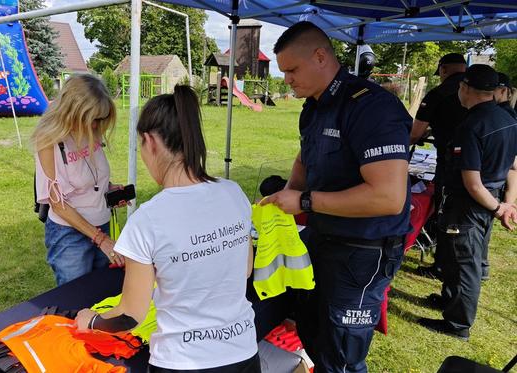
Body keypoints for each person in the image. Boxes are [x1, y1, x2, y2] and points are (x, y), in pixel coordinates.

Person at [76, 85, 259, 372]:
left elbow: (130, 316)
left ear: (150, 142)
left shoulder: (147, 220)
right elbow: (245, 268)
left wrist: (91, 321)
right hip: (243, 355)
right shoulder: (234, 193)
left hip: (181, 362)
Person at [263, 22, 412, 372]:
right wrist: (290, 191)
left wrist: (303, 202)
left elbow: (388, 197)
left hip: (362, 251)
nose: (287, 79)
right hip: (322, 239)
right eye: (283, 71)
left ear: (320, 57)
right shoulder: (314, 106)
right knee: (313, 332)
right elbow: (306, 156)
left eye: (292, 70)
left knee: (342, 353)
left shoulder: (370, 106)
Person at [418, 64, 517, 341]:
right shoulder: (507, 118)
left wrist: (499, 209)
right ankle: (449, 300)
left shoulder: (471, 125)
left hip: (469, 203)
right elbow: (514, 166)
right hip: (490, 197)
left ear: (464, 89)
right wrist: (506, 202)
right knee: (454, 257)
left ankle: (458, 324)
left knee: (464, 263)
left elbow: (472, 182)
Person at [32, 74, 125, 286]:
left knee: (103, 294)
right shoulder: (48, 141)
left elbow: (90, 177)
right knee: (76, 301)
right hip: (69, 235)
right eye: (93, 119)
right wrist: (100, 239)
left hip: (101, 225)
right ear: (73, 112)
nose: (97, 126)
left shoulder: (92, 131)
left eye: (101, 119)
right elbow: (59, 204)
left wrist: (109, 190)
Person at [410, 53, 468, 279]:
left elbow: (414, 134)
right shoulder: (483, 92)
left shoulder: (438, 93)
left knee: (447, 214)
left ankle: (442, 266)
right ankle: (475, 266)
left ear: (443, 69)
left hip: (451, 164)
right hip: (483, 164)